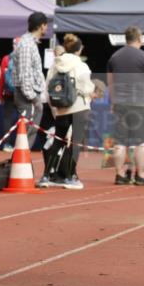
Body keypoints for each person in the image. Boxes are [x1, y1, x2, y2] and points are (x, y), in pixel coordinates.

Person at [108, 25, 144, 186]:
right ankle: (141, 175)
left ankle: (119, 175)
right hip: (140, 104)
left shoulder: (114, 57)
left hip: (120, 104)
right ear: (139, 39)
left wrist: (113, 102)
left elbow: (110, 83)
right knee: (140, 142)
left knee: (119, 142)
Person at [40, 33, 95, 189]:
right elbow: (87, 88)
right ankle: (70, 177)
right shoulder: (81, 66)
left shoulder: (55, 65)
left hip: (61, 108)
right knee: (75, 143)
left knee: (58, 141)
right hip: (79, 107)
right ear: (78, 50)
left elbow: (48, 87)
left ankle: (46, 176)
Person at [11, 12, 49, 148]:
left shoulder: (28, 43)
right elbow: (25, 74)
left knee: (27, 134)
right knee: (26, 135)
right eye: (46, 25)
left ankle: (21, 166)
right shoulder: (27, 45)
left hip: (29, 97)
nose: (47, 28)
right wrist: (34, 98)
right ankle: (18, 167)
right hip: (28, 98)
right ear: (41, 26)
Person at [0, 37, 19, 150]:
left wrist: (0, 95)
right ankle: (21, 145)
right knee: (22, 120)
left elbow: (2, 78)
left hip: (9, 94)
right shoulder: (25, 59)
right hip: (22, 95)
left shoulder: (6, 59)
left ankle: (7, 144)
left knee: (7, 119)